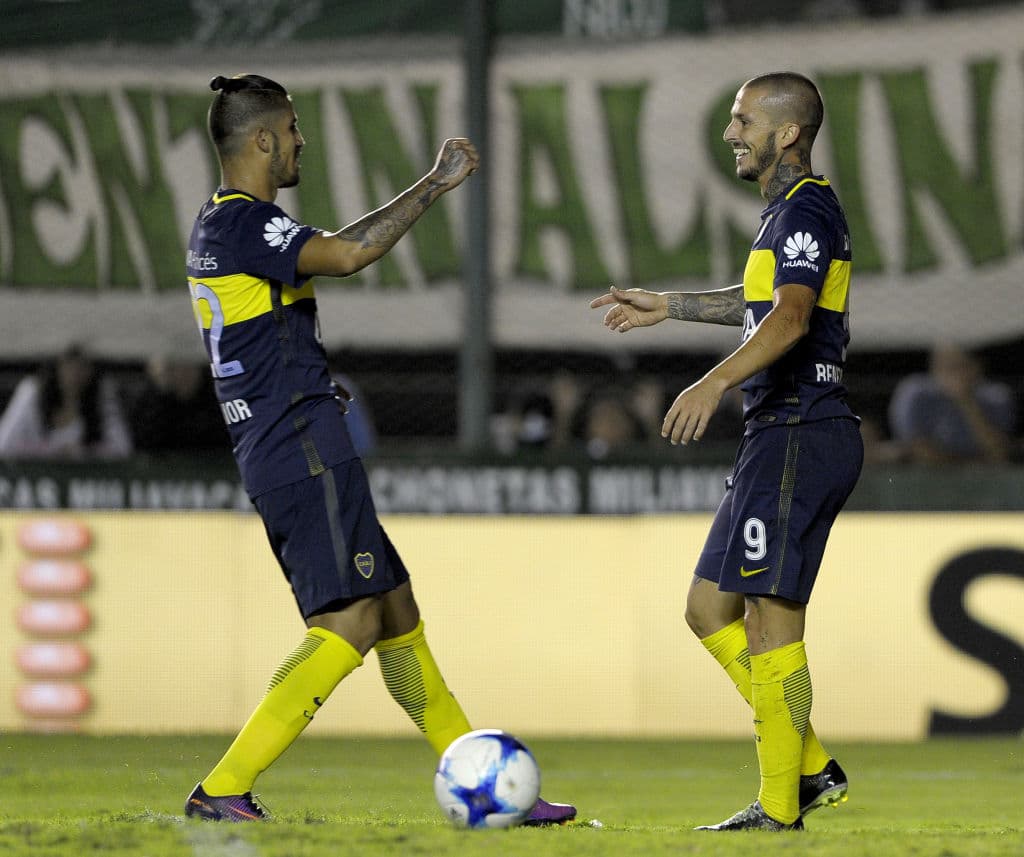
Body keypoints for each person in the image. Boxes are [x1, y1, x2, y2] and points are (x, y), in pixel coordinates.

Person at [181, 73, 574, 825]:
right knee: (350, 621)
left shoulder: (221, 225)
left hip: (289, 439)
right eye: (292, 128)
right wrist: (434, 183)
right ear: (261, 139)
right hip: (299, 445)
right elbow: (351, 252)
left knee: (394, 608)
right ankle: (223, 785)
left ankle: (488, 785)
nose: (300, 141)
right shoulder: (242, 223)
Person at [591, 71, 861, 831]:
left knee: (774, 627)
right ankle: (809, 766)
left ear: (787, 134)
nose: (729, 132)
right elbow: (759, 308)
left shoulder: (807, 208)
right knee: (709, 609)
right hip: (775, 433)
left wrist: (711, 384)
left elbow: (791, 319)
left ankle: (781, 808)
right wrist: (668, 305)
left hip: (801, 430)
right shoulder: (784, 217)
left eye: (742, 120)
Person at [888, 344, 1016, 465]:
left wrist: (966, 401)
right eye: (944, 365)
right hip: (931, 476)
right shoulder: (915, 392)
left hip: (983, 477)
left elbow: (998, 452)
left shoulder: (996, 396)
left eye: (960, 365)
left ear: (976, 366)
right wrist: (965, 466)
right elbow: (917, 449)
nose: (952, 373)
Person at [0, 344, 133, 459]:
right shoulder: (31, 392)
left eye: (82, 367)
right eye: (69, 365)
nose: (75, 374)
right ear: (57, 366)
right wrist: (52, 451)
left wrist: (84, 452)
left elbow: (122, 448)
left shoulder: (102, 396)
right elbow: (4, 445)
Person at [129, 353, 227, 454]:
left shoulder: (217, 397)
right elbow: (146, 443)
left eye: (189, 367)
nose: (182, 374)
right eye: (174, 369)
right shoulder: (153, 401)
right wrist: (162, 393)